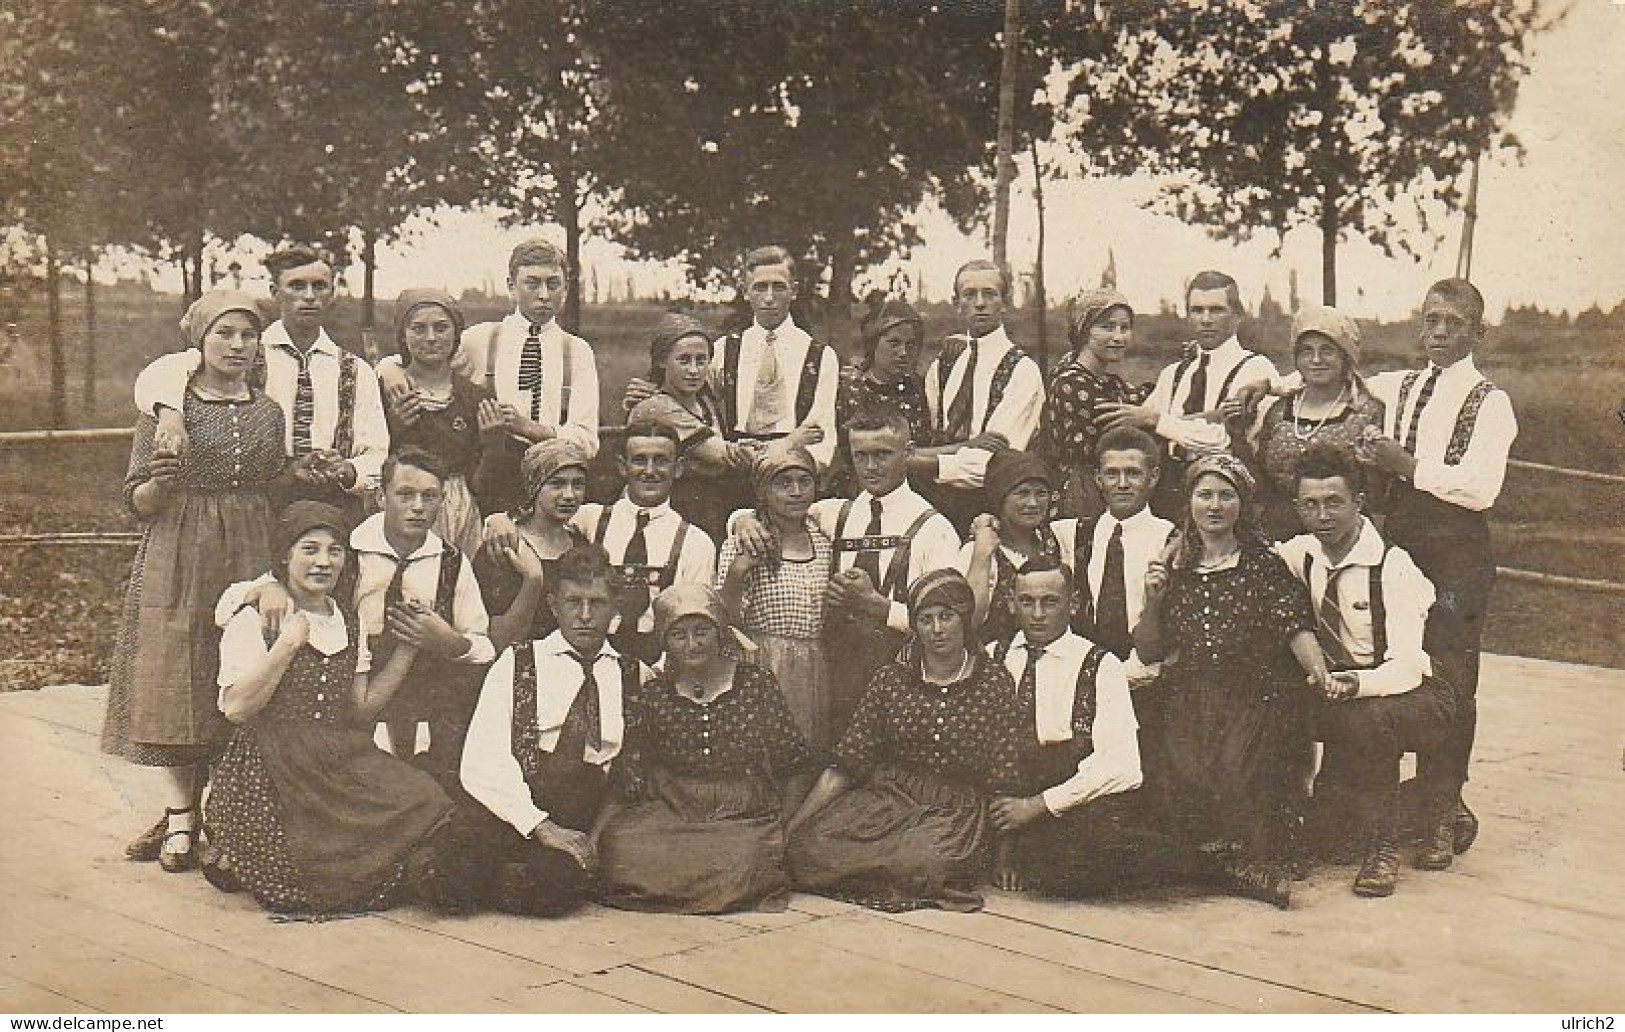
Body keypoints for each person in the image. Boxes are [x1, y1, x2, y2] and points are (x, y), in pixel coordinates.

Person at [106, 291, 287, 872]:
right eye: (224, 335)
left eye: (247, 336)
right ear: (200, 343)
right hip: (181, 550)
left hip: (250, 547)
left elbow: (275, 483)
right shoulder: (166, 410)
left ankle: (225, 808)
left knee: (234, 674)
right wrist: (161, 481)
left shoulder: (268, 411)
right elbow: (136, 500)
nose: (237, 346)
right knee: (176, 675)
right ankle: (181, 815)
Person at [205, 502, 458, 914]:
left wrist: (409, 649)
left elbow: (361, 711)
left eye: (334, 551)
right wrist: (286, 646)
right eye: (310, 549)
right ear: (285, 554)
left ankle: (422, 872)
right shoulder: (257, 614)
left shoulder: (346, 618)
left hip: (336, 753)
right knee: (304, 851)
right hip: (271, 762)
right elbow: (235, 708)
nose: (323, 562)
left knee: (424, 797)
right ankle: (233, 852)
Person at [213, 449, 496, 789]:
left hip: (422, 686)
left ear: (443, 501)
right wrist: (267, 588)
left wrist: (447, 640)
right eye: (405, 495)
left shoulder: (451, 561)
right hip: (344, 692)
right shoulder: (341, 549)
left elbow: (484, 647)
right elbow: (225, 607)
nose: (418, 507)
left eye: (429, 496)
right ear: (381, 496)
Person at [1357, 279, 1515, 857]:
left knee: (1451, 675)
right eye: (1430, 321)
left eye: (1453, 322)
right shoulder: (1397, 385)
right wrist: (1265, 382)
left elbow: (1480, 489)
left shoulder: (1490, 401)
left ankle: (1443, 807)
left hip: (1457, 549)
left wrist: (1407, 465)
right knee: (1396, 663)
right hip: (1399, 543)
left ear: (1478, 332)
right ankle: (1396, 800)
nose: (1440, 332)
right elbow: (1329, 372)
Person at [1134, 454, 1328, 908]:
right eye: (1205, 495)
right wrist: (1154, 600)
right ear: (1190, 503)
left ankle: (1250, 860)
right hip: (1190, 690)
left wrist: (1319, 674)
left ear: (1244, 504)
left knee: (1240, 763)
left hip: (1254, 690)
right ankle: (1217, 863)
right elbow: (1149, 650)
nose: (1215, 506)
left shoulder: (1263, 564)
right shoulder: (1175, 567)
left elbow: (1294, 625)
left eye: (1227, 495)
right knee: (1178, 765)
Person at [786, 570, 1026, 913]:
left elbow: (1006, 776)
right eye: (925, 620)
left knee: (924, 863)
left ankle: (897, 872)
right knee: (808, 849)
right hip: (889, 798)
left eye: (947, 617)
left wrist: (1005, 858)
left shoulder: (992, 682)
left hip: (953, 809)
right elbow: (848, 761)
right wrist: (795, 827)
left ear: (965, 620)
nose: (937, 629)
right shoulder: (892, 679)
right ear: (914, 626)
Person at [1275, 444, 1456, 896]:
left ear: (1360, 502)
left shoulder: (1394, 567)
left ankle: (1384, 846)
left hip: (1408, 691)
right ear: (1297, 508)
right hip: (1339, 687)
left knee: (1367, 719)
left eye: (1335, 502)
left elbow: (1408, 665)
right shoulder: (1301, 554)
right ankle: (1288, 827)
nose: (1324, 515)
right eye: (1311, 505)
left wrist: (1356, 684)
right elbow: (1250, 554)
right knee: (1272, 703)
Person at [730, 410, 961, 735]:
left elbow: (951, 625)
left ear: (907, 452)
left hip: (902, 673)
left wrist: (877, 606)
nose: (871, 467)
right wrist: (742, 520)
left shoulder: (935, 530)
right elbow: (774, 508)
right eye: (861, 456)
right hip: (836, 674)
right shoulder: (834, 513)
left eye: (882, 454)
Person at [596, 584, 818, 914]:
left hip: (742, 812)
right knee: (621, 848)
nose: (692, 644)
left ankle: (708, 880)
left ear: (720, 634)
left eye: (702, 632)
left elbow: (793, 763)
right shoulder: (655, 694)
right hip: (673, 810)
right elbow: (630, 776)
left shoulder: (755, 683)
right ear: (665, 643)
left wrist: (784, 826)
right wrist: (596, 836)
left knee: (748, 856)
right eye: (679, 635)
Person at [458, 543, 648, 917]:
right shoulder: (518, 662)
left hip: (581, 812)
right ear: (554, 605)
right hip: (513, 803)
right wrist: (540, 826)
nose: (585, 615)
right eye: (574, 602)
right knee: (454, 870)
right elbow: (484, 758)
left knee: (554, 887)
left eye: (597, 603)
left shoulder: (634, 674)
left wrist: (590, 837)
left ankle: (515, 881)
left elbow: (629, 774)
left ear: (615, 609)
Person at [135, 245, 389, 523]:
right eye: (296, 285)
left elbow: (377, 454)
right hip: (261, 505)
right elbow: (159, 373)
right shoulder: (243, 353)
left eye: (319, 286)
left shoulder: (355, 370)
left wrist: (348, 470)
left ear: (332, 293)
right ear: (274, 292)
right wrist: (171, 416)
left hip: (334, 508)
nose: (309, 296)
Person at [987, 556, 1171, 898]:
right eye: (1027, 602)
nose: (1038, 614)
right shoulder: (993, 657)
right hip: (1006, 791)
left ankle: (1215, 867)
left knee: (1080, 858)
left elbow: (1123, 768)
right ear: (1011, 604)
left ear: (1072, 604)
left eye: (1050, 602)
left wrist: (1036, 806)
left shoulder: (1101, 665)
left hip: (1069, 795)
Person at [381, 238, 600, 514]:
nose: (544, 294)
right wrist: (391, 375)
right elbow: (424, 358)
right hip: (496, 479)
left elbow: (588, 441)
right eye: (532, 283)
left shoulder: (578, 351)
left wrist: (529, 428)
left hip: (556, 483)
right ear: (511, 286)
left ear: (566, 287)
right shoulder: (480, 339)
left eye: (553, 284)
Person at [487, 421, 718, 665]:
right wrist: (500, 519)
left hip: (657, 669)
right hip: (590, 662)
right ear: (622, 466)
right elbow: (538, 518)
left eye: (661, 460)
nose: (650, 471)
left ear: (678, 468)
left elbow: (690, 622)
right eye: (639, 460)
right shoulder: (588, 519)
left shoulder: (696, 543)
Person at [1097, 270, 1274, 520]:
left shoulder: (1255, 369)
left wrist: (1157, 421)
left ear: (1237, 316)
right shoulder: (1173, 374)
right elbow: (1142, 432)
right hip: (1171, 498)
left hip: (1225, 497)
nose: (1206, 319)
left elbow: (1221, 439)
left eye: (1216, 310)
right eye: (1197, 310)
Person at [913, 259, 1045, 531]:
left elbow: (994, 465)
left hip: (988, 508)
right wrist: (958, 449)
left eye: (990, 294)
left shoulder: (1022, 371)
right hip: (932, 504)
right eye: (970, 294)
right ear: (956, 303)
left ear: (1004, 302)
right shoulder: (943, 364)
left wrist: (913, 461)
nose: (980, 303)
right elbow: (930, 433)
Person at [716, 444, 834, 749]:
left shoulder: (823, 541)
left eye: (804, 481)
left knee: (805, 748)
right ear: (763, 491)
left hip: (812, 663)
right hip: (764, 661)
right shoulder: (746, 541)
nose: (796, 491)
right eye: (783, 483)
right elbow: (725, 618)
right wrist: (738, 571)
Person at [1237, 305, 1385, 540]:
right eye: (1306, 351)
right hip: (1281, 530)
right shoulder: (1279, 411)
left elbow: (1376, 493)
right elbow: (1262, 484)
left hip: (1343, 534)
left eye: (1327, 350)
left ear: (1345, 356)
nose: (1316, 360)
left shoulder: (1367, 412)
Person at [627, 312, 756, 542]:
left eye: (701, 360)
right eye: (684, 360)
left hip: (715, 503)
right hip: (676, 507)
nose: (694, 370)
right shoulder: (657, 407)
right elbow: (723, 455)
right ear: (661, 361)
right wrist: (790, 443)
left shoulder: (706, 398)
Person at [381, 288, 491, 556]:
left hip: (458, 509)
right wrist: (394, 427)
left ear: (456, 334)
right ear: (403, 336)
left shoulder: (474, 397)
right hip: (403, 504)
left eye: (441, 328)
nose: (431, 338)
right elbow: (374, 454)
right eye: (418, 328)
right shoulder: (385, 390)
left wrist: (493, 443)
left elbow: (482, 481)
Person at [1034, 288, 1150, 518]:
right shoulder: (1071, 384)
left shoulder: (1106, 382)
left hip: (1105, 485)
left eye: (1124, 328)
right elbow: (1130, 428)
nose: (1118, 337)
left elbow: (1144, 399)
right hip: (1081, 494)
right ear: (1084, 331)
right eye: (1107, 327)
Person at [473, 439, 591, 655]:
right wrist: (533, 580)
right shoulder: (503, 544)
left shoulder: (582, 545)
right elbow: (498, 641)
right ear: (535, 486)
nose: (569, 495)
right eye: (557, 484)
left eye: (578, 484)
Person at [961, 449, 1076, 648]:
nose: (1033, 503)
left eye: (1041, 493)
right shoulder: (978, 550)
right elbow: (967, 622)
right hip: (997, 664)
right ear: (1000, 497)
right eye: (1022, 493)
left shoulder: (1059, 537)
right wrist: (982, 555)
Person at [828, 296, 931, 498]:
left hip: (914, 488)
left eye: (910, 345)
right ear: (873, 343)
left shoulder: (918, 387)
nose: (903, 352)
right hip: (857, 489)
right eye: (894, 343)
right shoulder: (848, 388)